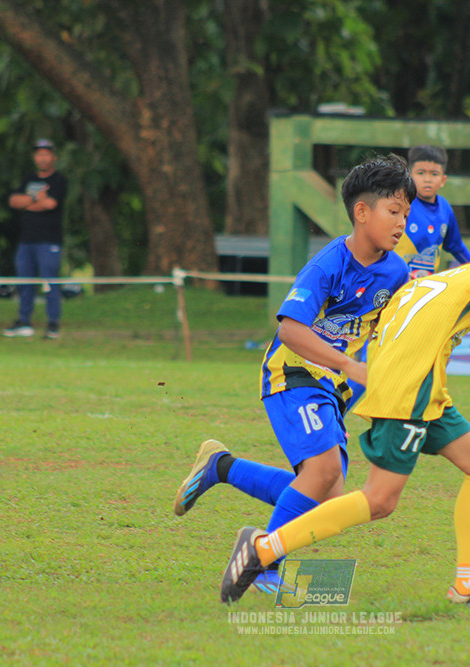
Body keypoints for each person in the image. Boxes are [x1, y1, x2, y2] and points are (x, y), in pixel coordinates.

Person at [220, 206, 470, 608]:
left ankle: (469, 584)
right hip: (411, 393)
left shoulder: (440, 278)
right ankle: (264, 549)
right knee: (379, 500)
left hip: (420, 391)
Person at [175, 154, 416, 593]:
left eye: (406, 214)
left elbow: (392, 330)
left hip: (334, 391)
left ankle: (221, 466)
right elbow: (288, 328)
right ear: (362, 212)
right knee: (322, 474)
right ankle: (263, 559)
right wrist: (347, 364)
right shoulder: (328, 265)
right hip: (292, 374)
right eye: (394, 212)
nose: (402, 224)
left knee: (327, 497)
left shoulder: (396, 271)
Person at [3, 138, 67, 339]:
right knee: (24, 281)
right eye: (39, 153)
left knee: (50, 281)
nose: (43, 157)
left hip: (49, 240)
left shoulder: (58, 181)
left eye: (46, 153)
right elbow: (14, 201)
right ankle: (24, 321)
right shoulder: (28, 180)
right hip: (26, 240)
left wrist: (29, 204)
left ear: (53, 157)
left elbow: (49, 204)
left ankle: (53, 324)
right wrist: (33, 199)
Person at [394, 145, 470, 279]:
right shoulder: (402, 204)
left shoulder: (445, 209)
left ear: (443, 180)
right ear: (410, 176)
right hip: (397, 282)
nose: (427, 179)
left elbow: (456, 246)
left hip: (426, 286)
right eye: (421, 173)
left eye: (434, 174)